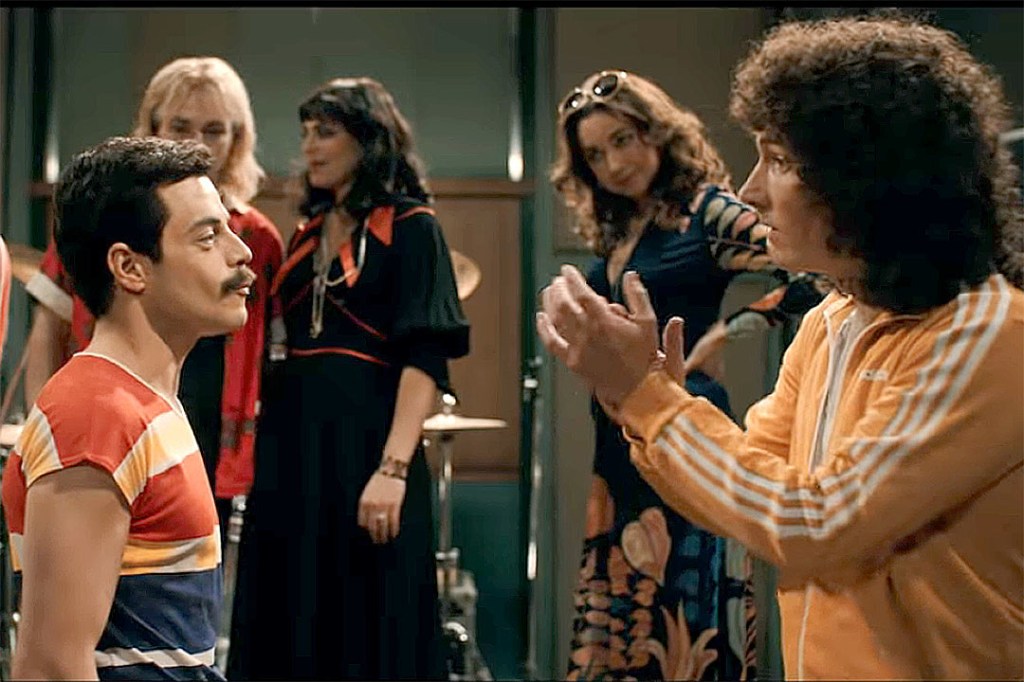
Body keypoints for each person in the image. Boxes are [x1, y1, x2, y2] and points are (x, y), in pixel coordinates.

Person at [538, 15, 1023, 680]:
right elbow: (750, 493)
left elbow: (813, 522)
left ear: (864, 177)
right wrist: (645, 400)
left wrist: (648, 397)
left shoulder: (986, 332)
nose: (750, 191)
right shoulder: (831, 320)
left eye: (780, 161)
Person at [550, 68, 825, 680]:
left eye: (622, 140)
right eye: (595, 155)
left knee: (683, 617)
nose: (613, 164)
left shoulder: (707, 209)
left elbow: (812, 270)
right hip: (620, 438)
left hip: (683, 421)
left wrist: (737, 328)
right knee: (623, 621)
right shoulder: (620, 231)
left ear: (655, 131)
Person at [228, 77, 469, 680]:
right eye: (307, 132)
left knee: (370, 619)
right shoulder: (304, 235)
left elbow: (426, 358)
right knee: (289, 615)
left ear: (369, 140)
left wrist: (393, 469)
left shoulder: (413, 226)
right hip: (292, 453)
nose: (310, 145)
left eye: (327, 132)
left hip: (366, 451)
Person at [1, 136, 255, 679]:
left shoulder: (145, 402)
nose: (241, 253)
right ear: (129, 267)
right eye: (208, 236)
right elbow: (51, 666)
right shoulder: (97, 414)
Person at [22, 57, 283, 536]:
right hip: (106, 414)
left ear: (237, 139)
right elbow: (48, 327)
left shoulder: (257, 238)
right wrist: (43, 429)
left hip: (206, 419)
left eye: (214, 130)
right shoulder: (102, 219)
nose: (195, 144)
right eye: (180, 127)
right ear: (154, 126)